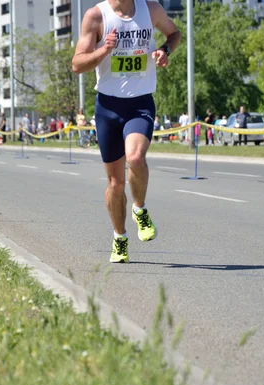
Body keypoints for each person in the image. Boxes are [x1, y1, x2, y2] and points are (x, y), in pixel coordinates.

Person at [72, 0, 180, 263]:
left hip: (140, 102)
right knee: (115, 183)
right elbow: (77, 64)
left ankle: (139, 209)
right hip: (108, 106)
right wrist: (103, 51)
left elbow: (174, 33)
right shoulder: (96, 16)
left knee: (135, 158)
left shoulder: (150, 9)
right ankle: (120, 238)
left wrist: (165, 49)